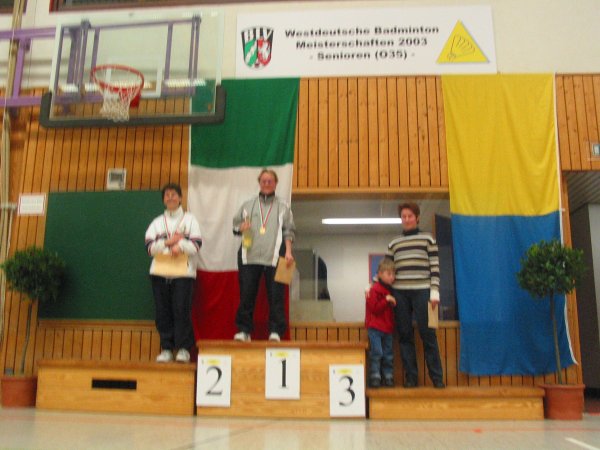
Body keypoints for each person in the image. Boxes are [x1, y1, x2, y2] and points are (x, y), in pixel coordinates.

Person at [232, 169, 295, 342]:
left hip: (274, 257)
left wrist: (288, 252)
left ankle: (275, 331)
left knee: (276, 296)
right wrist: (240, 228)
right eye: (264, 181)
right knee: (246, 295)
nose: (267, 184)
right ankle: (244, 331)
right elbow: (235, 225)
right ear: (259, 183)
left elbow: (289, 231)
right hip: (248, 256)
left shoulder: (283, 206)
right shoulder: (248, 205)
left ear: (276, 183)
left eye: (270, 181)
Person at [388, 202, 445, 388]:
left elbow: (435, 267)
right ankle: (411, 378)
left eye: (410, 216)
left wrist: (434, 291)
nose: (406, 219)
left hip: (423, 291)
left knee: (428, 335)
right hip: (400, 293)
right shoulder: (394, 243)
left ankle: (437, 378)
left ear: (417, 218)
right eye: (403, 216)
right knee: (405, 336)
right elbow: (387, 270)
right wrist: (372, 286)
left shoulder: (428, 239)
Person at [145, 183, 202, 363]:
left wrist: (181, 246)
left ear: (180, 198)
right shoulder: (156, 222)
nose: (170, 197)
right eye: (167, 195)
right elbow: (149, 248)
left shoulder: (190, 220)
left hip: (183, 274)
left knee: (181, 311)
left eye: (173, 194)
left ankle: (184, 349)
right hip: (159, 274)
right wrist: (168, 243)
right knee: (163, 313)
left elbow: (196, 245)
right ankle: (167, 349)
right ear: (163, 200)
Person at [365, 258, 397, 388]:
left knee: (388, 354)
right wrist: (386, 300)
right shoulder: (374, 290)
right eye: (389, 274)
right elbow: (374, 308)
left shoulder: (392, 291)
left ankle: (388, 376)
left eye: (393, 274)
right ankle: (375, 376)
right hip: (375, 328)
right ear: (379, 274)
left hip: (388, 328)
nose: (392, 277)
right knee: (377, 353)